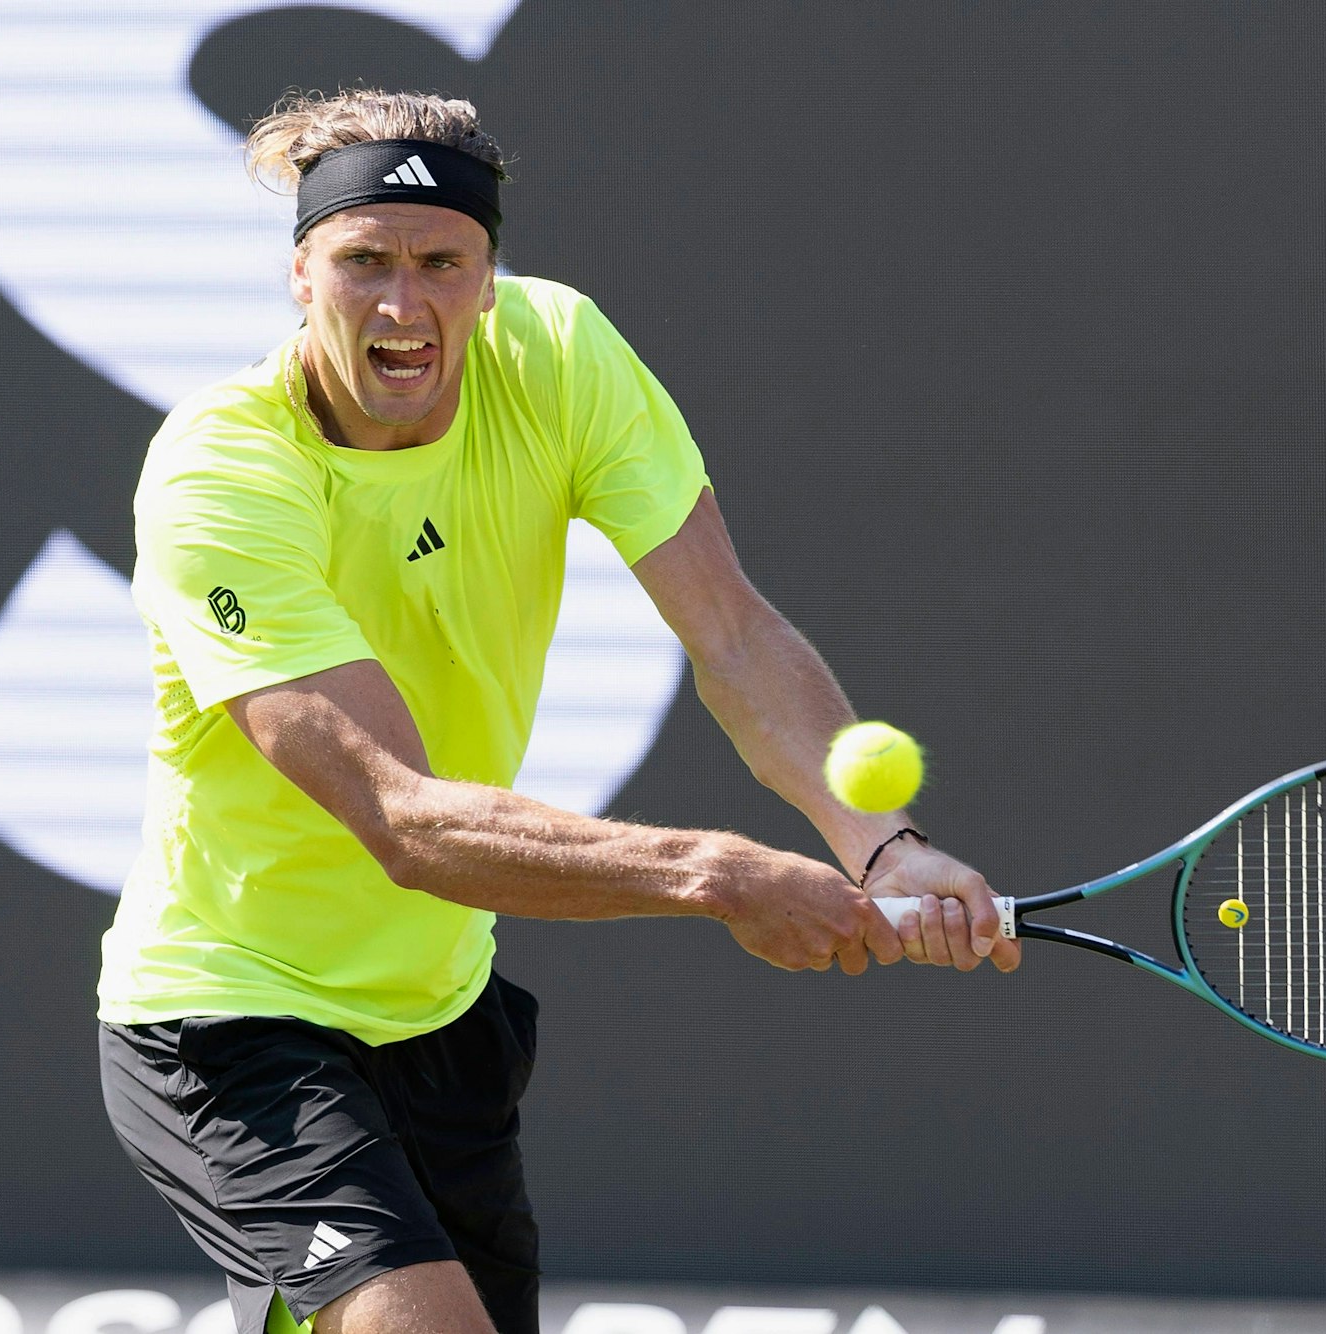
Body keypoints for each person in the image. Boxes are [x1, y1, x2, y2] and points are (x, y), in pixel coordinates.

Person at [96, 88, 1020, 1334]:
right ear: (301, 273)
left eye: (442, 264)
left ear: (488, 280)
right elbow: (404, 818)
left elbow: (733, 632)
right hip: (232, 1015)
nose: (402, 305)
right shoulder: (223, 472)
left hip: (442, 1011)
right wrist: (717, 874)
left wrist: (882, 844)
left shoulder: (559, 356)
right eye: (364, 261)